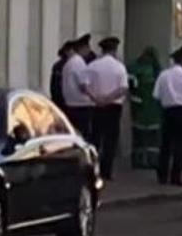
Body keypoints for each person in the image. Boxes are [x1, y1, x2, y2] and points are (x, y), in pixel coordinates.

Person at [153, 45, 182, 186]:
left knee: (165, 144)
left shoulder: (163, 75)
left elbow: (156, 95)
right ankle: (176, 176)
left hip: (168, 112)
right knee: (181, 146)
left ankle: (162, 175)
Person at [86, 36, 129, 180]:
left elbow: (84, 86)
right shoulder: (119, 67)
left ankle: (93, 169)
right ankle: (106, 171)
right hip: (113, 107)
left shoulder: (92, 66)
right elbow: (123, 89)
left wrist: (96, 99)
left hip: (96, 106)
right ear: (114, 50)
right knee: (110, 140)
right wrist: (108, 99)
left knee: (95, 138)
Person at [128, 47, 163, 169]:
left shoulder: (134, 68)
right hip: (152, 110)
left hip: (140, 108)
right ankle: (151, 160)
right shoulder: (157, 71)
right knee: (152, 138)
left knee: (140, 137)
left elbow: (131, 89)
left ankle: (139, 160)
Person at [62, 34, 96, 141]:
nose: (89, 51)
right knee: (84, 136)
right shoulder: (79, 63)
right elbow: (83, 86)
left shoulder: (69, 62)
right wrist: (96, 98)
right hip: (82, 106)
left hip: (70, 104)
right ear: (83, 48)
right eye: (88, 48)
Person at [50, 41, 74, 112]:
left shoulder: (58, 65)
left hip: (60, 99)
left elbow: (53, 85)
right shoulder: (64, 65)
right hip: (64, 100)